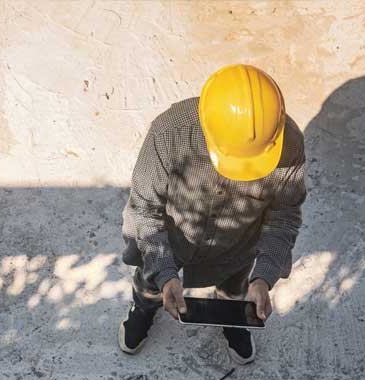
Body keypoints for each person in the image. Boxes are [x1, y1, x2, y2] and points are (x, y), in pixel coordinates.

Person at [119, 64, 307, 364]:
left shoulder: (290, 144)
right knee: (150, 282)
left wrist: (263, 278)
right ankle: (142, 309)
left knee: (236, 288)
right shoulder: (169, 132)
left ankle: (233, 320)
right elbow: (144, 210)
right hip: (172, 237)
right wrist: (165, 273)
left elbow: (284, 215)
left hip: (237, 245)